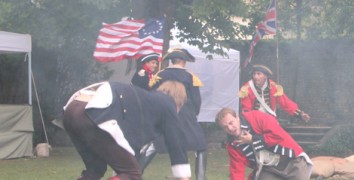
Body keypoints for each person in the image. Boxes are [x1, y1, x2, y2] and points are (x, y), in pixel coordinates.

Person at [62, 81, 191, 180]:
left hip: (73, 107)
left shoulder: (147, 101)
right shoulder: (168, 103)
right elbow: (176, 142)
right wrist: (183, 176)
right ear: (179, 100)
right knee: (132, 174)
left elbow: (128, 141)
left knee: (95, 170)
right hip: (96, 110)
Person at [147, 48, 208, 180]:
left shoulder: (160, 74)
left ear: (172, 60)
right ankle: (201, 177)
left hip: (163, 115)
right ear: (183, 62)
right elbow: (196, 100)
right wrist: (193, 114)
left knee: (152, 145)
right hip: (186, 115)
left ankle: (134, 172)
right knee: (200, 145)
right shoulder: (190, 76)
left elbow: (152, 95)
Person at [215, 107, 313, 180]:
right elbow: (237, 172)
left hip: (290, 160)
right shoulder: (232, 145)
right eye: (225, 127)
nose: (230, 128)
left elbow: (278, 135)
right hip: (268, 169)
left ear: (237, 117)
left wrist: (253, 139)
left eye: (231, 123)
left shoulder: (256, 117)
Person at [238, 64, 310, 122]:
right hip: (255, 121)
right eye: (254, 74)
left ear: (265, 76)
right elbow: (246, 109)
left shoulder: (274, 87)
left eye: (258, 74)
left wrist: (300, 114)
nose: (255, 76)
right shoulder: (246, 88)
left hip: (270, 120)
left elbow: (286, 103)